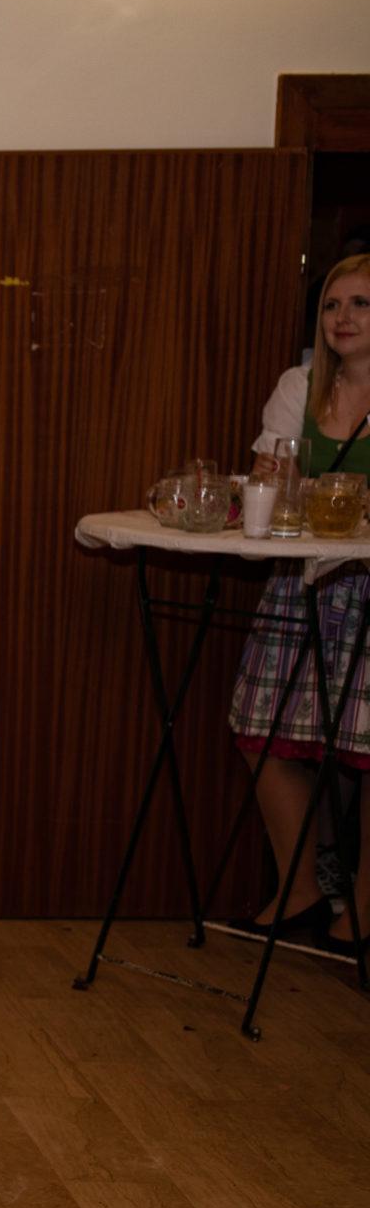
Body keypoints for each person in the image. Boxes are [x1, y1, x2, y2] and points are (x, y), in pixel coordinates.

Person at [228, 253, 370, 956]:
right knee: (260, 727)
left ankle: (365, 909)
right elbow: (273, 482)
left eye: (361, 304)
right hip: (303, 580)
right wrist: (272, 478)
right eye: (332, 305)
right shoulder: (299, 386)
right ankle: (300, 886)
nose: (342, 317)